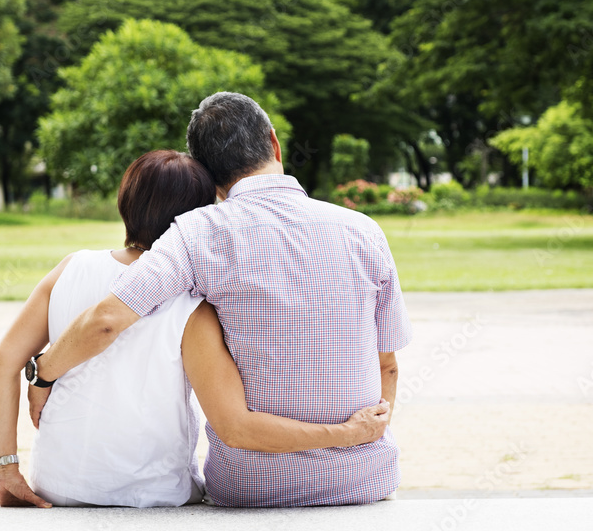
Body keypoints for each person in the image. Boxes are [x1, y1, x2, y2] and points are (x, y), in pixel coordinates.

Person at [29, 94, 412, 507]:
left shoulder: (198, 233)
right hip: (366, 481)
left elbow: (107, 320)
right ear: (274, 143)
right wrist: (357, 435)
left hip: (252, 488)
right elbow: (386, 366)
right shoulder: (364, 230)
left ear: (208, 177)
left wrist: (43, 373)